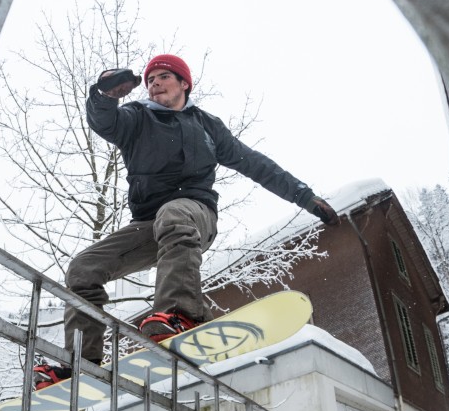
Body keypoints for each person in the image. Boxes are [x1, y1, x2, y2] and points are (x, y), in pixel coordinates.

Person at [33, 54, 340, 388]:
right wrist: (104, 93)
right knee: (83, 269)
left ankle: (180, 313)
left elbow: (255, 164)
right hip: (148, 225)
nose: (154, 84)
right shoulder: (137, 118)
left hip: (195, 214)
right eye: (150, 80)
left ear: (183, 83)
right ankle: (82, 360)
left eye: (163, 77)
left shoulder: (207, 126)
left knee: (174, 213)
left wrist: (304, 196)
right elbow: (104, 122)